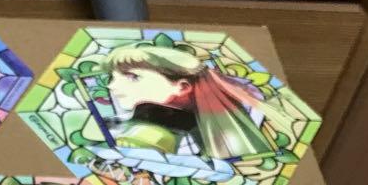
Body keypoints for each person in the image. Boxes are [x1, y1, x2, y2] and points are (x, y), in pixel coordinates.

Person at [102, 44, 286, 159]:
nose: (111, 86)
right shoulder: (154, 114)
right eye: (112, 77)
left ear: (182, 87)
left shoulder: (227, 127)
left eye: (133, 77)